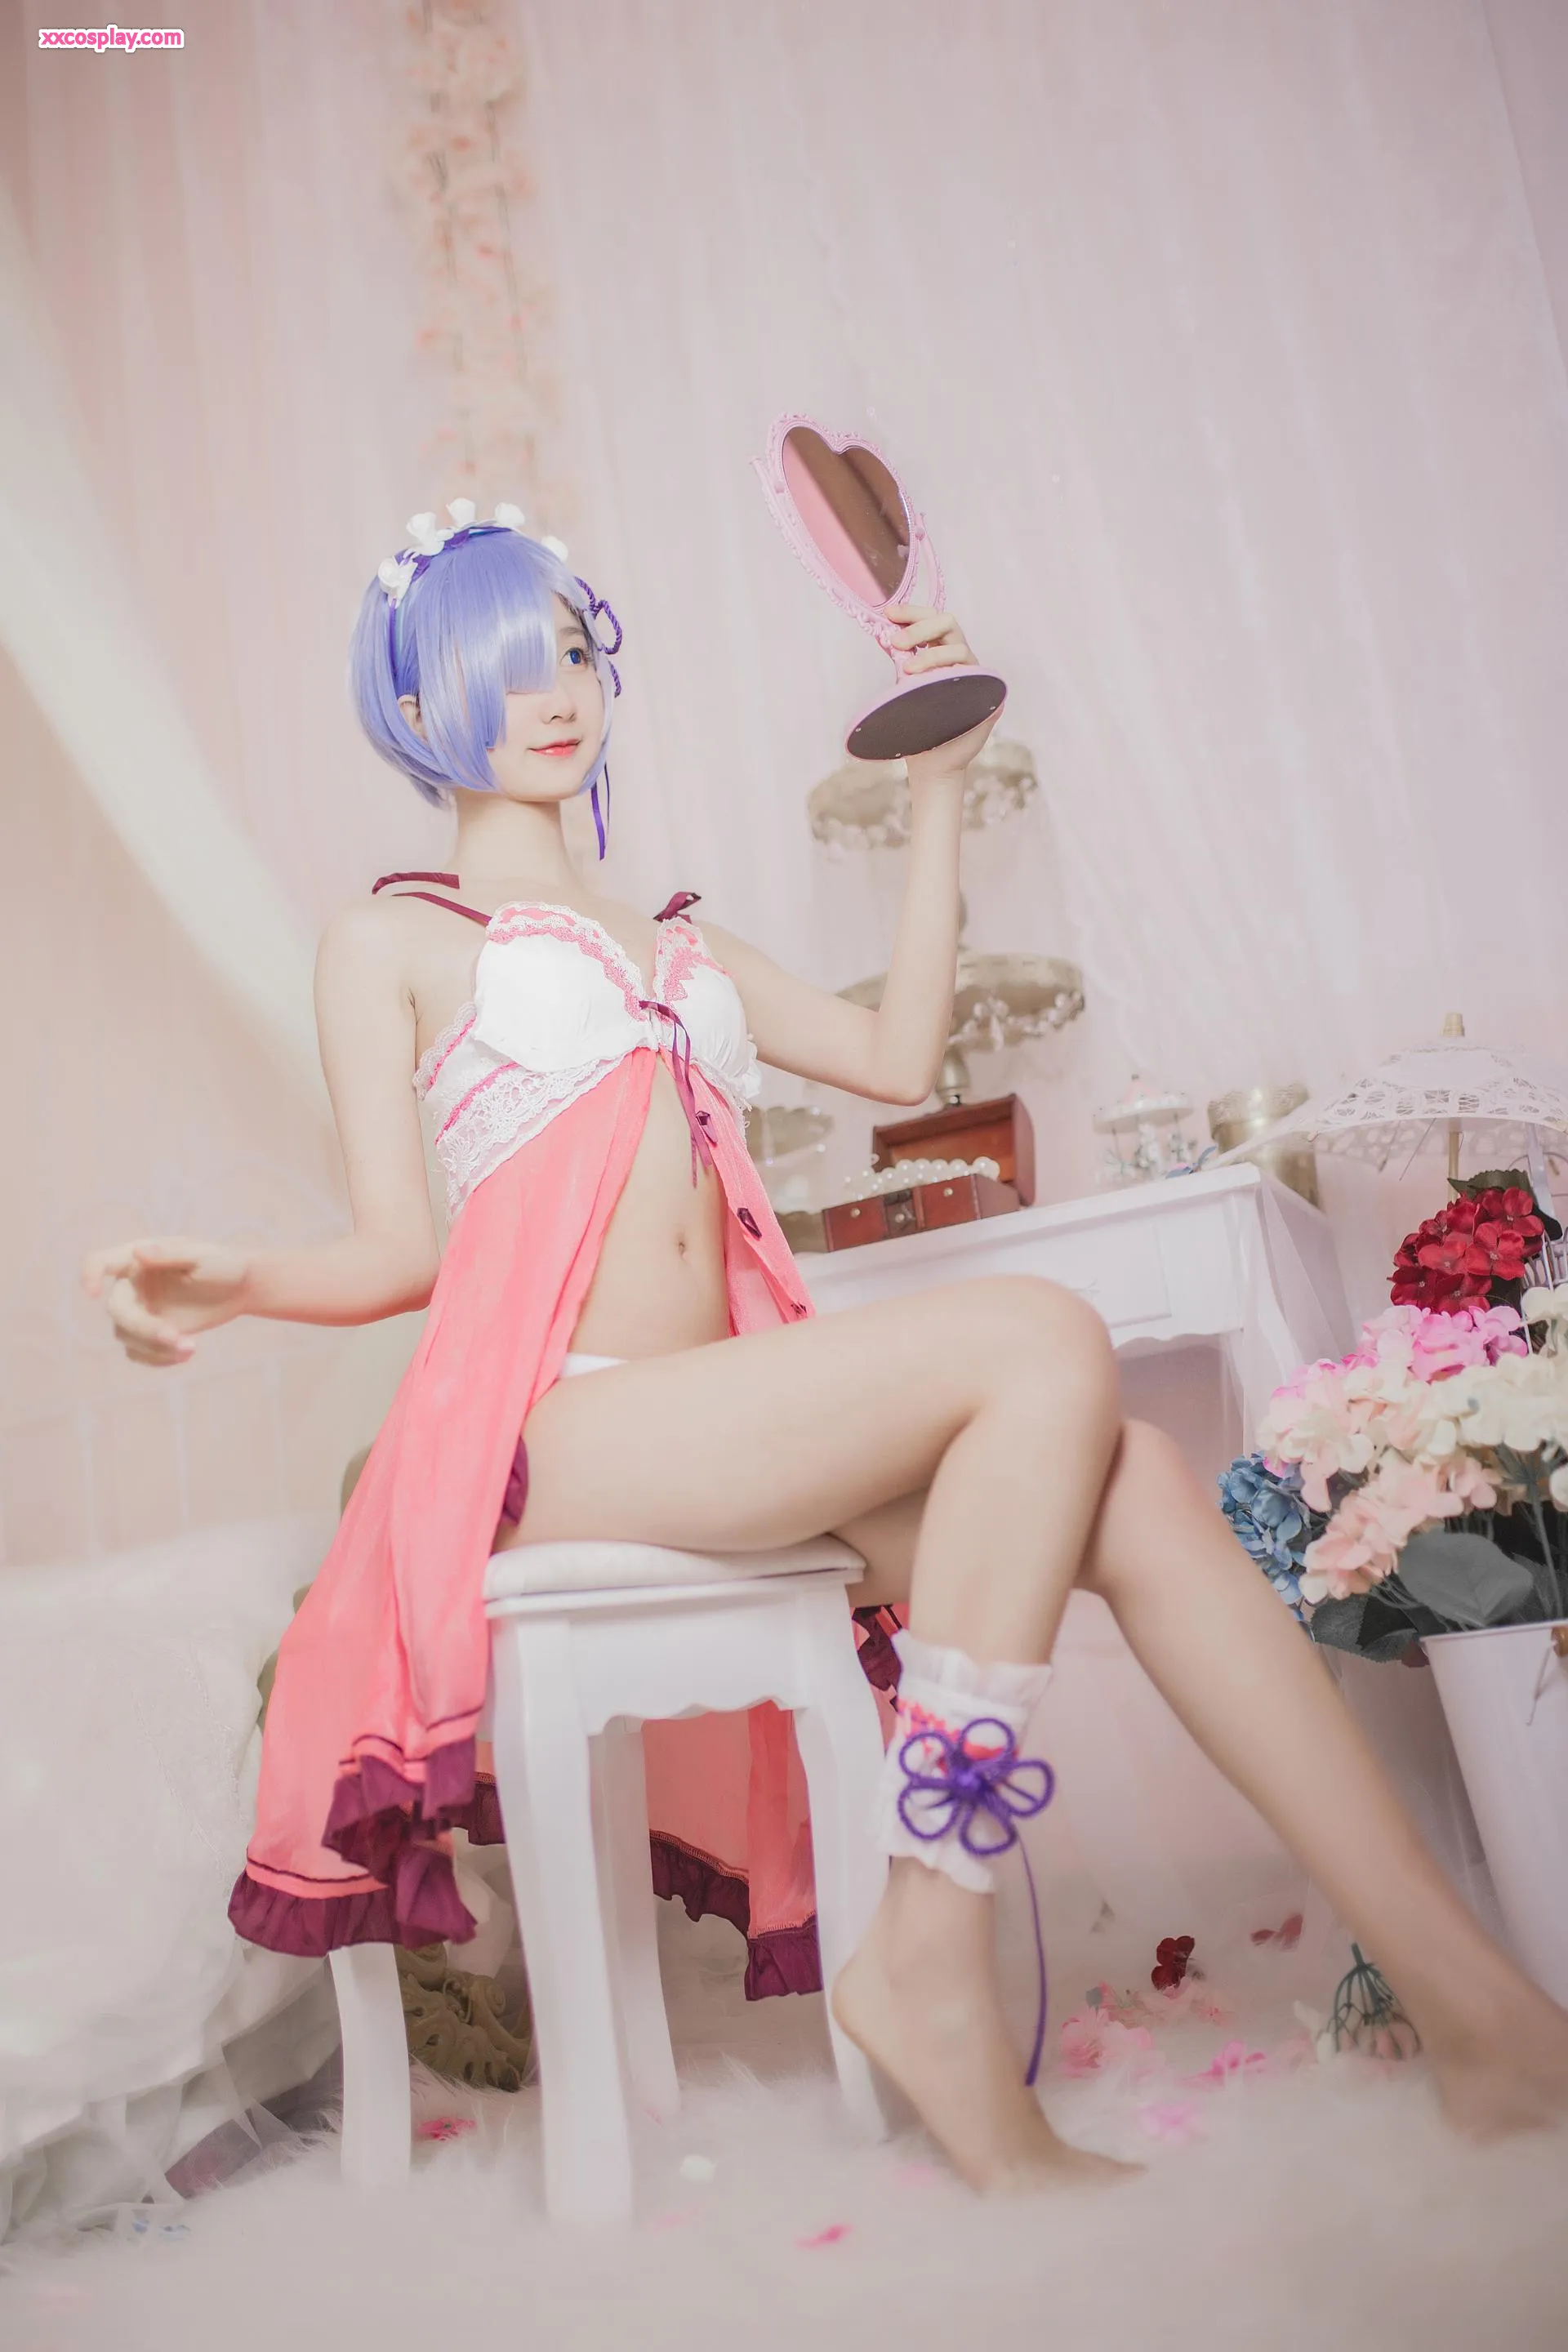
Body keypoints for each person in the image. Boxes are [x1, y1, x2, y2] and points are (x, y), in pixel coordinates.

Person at [86, 505, 1568, 2194]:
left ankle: (1481, 2016)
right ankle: (929, 1949)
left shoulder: (678, 945)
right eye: (503, 671)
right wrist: (240, 1283)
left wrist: (936, 792)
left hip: (723, 1417)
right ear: (420, 708)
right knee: (1040, 1338)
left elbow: (897, 1053)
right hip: (559, 1427)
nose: (555, 695)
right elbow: (401, 1250)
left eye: (571, 653)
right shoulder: (394, 941)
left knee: (1141, 1479)